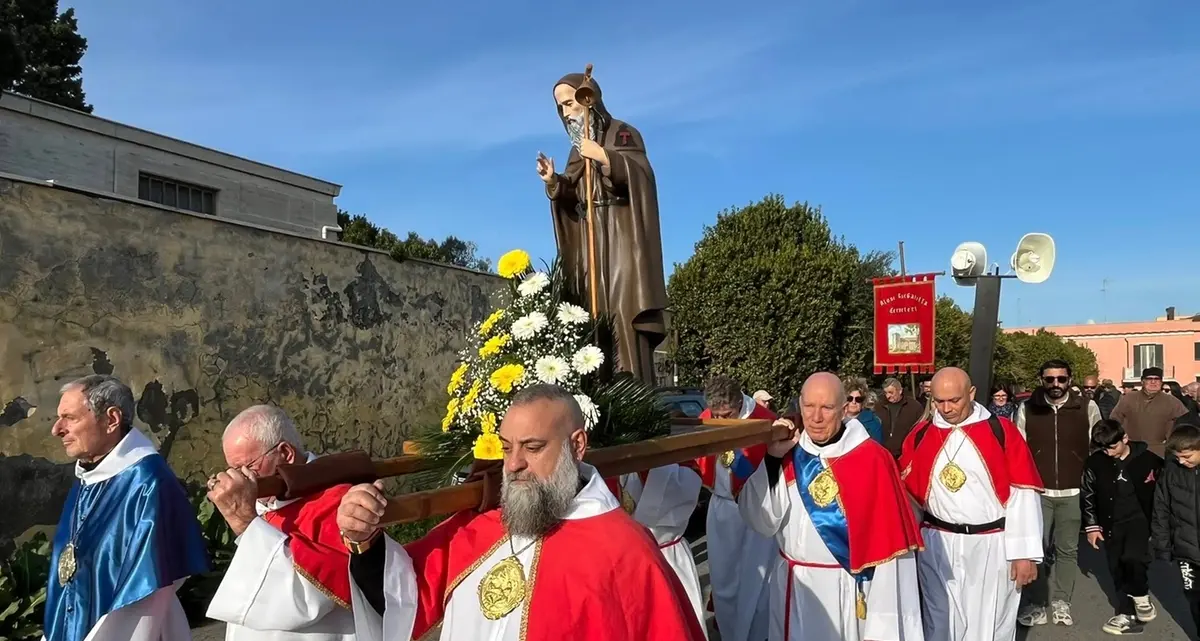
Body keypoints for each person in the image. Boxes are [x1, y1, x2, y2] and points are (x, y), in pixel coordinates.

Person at [336, 384, 706, 640]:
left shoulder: (626, 553)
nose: (512, 465)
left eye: (532, 447)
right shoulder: (485, 527)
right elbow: (406, 593)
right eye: (507, 447)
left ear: (577, 445)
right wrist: (364, 538)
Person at [740, 373, 924, 640]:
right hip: (795, 586)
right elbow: (762, 521)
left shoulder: (873, 459)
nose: (816, 418)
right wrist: (770, 460)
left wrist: (884, 620)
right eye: (809, 407)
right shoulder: (787, 451)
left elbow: (890, 549)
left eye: (826, 408)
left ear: (844, 408)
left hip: (846, 589)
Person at [42, 375, 208, 641]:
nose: (57, 429)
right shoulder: (88, 478)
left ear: (111, 419)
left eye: (69, 418)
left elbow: (146, 589)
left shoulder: (149, 485)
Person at [537, 70, 667, 384]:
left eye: (570, 103)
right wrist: (555, 182)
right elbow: (572, 193)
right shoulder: (575, 150)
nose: (567, 113)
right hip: (589, 238)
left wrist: (605, 157)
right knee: (590, 313)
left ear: (589, 98)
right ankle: (598, 387)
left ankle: (632, 389)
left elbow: (641, 176)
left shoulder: (623, 133)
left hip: (622, 236)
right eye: (561, 108)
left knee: (623, 308)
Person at [899, 367, 1044, 641]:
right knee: (938, 621)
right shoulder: (920, 435)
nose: (946, 408)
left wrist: (1024, 553)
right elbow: (910, 496)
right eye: (938, 401)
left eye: (954, 400)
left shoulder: (1001, 431)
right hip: (937, 543)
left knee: (990, 621)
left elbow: (1023, 494)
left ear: (972, 393)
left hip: (992, 544)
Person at [205, 405, 356, 640]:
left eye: (247, 467)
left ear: (285, 453)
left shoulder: (338, 502)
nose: (242, 480)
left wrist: (246, 524)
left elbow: (308, 600)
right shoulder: (265, 500)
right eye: (233, 470)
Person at [1013, 360, 1102, 627]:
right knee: (1035, 550)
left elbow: (1097, 446)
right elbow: (1018, 449)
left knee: (1067, 550)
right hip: (1038, 492)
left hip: (1073, 491)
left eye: (1061, 379)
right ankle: (1036, 602)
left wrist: (1092, 484)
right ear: (1041, 379)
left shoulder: (1087, 407)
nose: (1055, 385)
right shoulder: (1027, 407)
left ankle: (1062, 600)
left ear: (1069, 379)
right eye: (1049, 379)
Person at [695, 375, 777, 641]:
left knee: (757, 578)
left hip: (755, 507)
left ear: (740, 402)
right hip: (722, 507)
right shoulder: (708, 417)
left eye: (725, 414)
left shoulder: (764, 420)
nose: (719, 421)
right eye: (715, 415)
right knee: (723, 577)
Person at [604, 463, 708, 639]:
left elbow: (681, 494)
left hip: (666, 558)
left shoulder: (677, 460)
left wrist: (645, 461)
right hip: (618, 565)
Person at [1082, 419, 1162, 635]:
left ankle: (1141, 596)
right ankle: (1126, 614)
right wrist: (1092, 526)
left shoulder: (1149, 460)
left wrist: (1162, 526)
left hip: (1140, 520)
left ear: (1125, 438)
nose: (1108, 453)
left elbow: (1162, 493)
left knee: (1134, 558)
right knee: (1116, 567)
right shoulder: (1095, 462)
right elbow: (1088, 494)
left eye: (1113, 447)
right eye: (1104, 448)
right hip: (1110, 522)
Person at [1152, 421, 1200, 638]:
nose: (1182, 461)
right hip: (1186, 553)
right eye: (1178, 456)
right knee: (1194, 598)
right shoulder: (1171, 471)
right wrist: (1163, 546)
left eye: (1187, 456)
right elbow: (1160, 509)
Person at [1112, 367, 1189, 455]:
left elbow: (1185, 425)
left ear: (1161, 382)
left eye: (1157, 379)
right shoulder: (1128, 399)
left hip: (1161, 451)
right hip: (1132, 450)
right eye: (1149, 379)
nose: (1153, 382)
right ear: (1142, 381)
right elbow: (1114, 421)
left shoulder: (1173, 402)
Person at [878, 377, 924, 459]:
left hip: (906, 455)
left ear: (900, 391)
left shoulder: (914, 407)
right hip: (883, 455)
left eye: (891, 392)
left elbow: (921, 430)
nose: (888, 396)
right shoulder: (879, 406)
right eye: (885, 393)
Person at [843, 376, 884, 445]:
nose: (853, 402)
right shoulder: (835, 420)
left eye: (858, 399)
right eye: (850, 398)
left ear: (863, 402)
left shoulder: (873, 422)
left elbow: (876, 448)